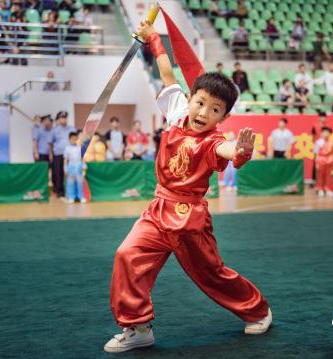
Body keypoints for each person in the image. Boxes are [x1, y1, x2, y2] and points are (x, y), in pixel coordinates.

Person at [103, 20, 271, 353]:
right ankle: (137, 328)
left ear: (221, 118)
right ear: (190, 97)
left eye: (215, 109)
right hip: (157, 210)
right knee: (127, 255)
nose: (203, 111)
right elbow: (167, 73)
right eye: (201, 102)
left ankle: (258, 310)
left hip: (189, 219)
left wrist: (241, 152)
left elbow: (229, 151)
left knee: (210, 274)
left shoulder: (214, 141)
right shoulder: (177, 110)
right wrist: (154, 41)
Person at [50, 111, 76, 198]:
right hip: (58, 154)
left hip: (71, 155)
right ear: (59, 119)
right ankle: (60, 191)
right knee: (59, 173)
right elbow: (51, 143)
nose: (64, 119)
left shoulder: (72, 129)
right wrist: (51, 154)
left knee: (71, 173)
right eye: (62, 118)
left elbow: (77, 140)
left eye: (65, 117)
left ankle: (71, 191)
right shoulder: (55, 130)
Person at [63, 131, 87, 203]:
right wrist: (65, 168)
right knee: (70, 182)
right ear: (69, 139)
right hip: (71, 166)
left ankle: (81, 197)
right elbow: (65, 159)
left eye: (75, 139)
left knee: (80, 182)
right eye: (72, 139)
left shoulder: (79, 148)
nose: (74, 140)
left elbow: (82, 158)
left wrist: (84, 165)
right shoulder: (67, 148)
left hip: (79, 166)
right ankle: (71, 197)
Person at [314, 126, 333, 197]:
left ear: (330, 134)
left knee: (329, 176)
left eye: (327, 133)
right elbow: (316, 153)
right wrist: (316, 162)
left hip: (329, 160)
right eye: (324, 132)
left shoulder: (331, 142)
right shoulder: (318, 142)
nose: (326, 134)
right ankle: (320, 189)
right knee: (320, 176)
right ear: (322, 133)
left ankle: (328, 189)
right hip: (321, 160)